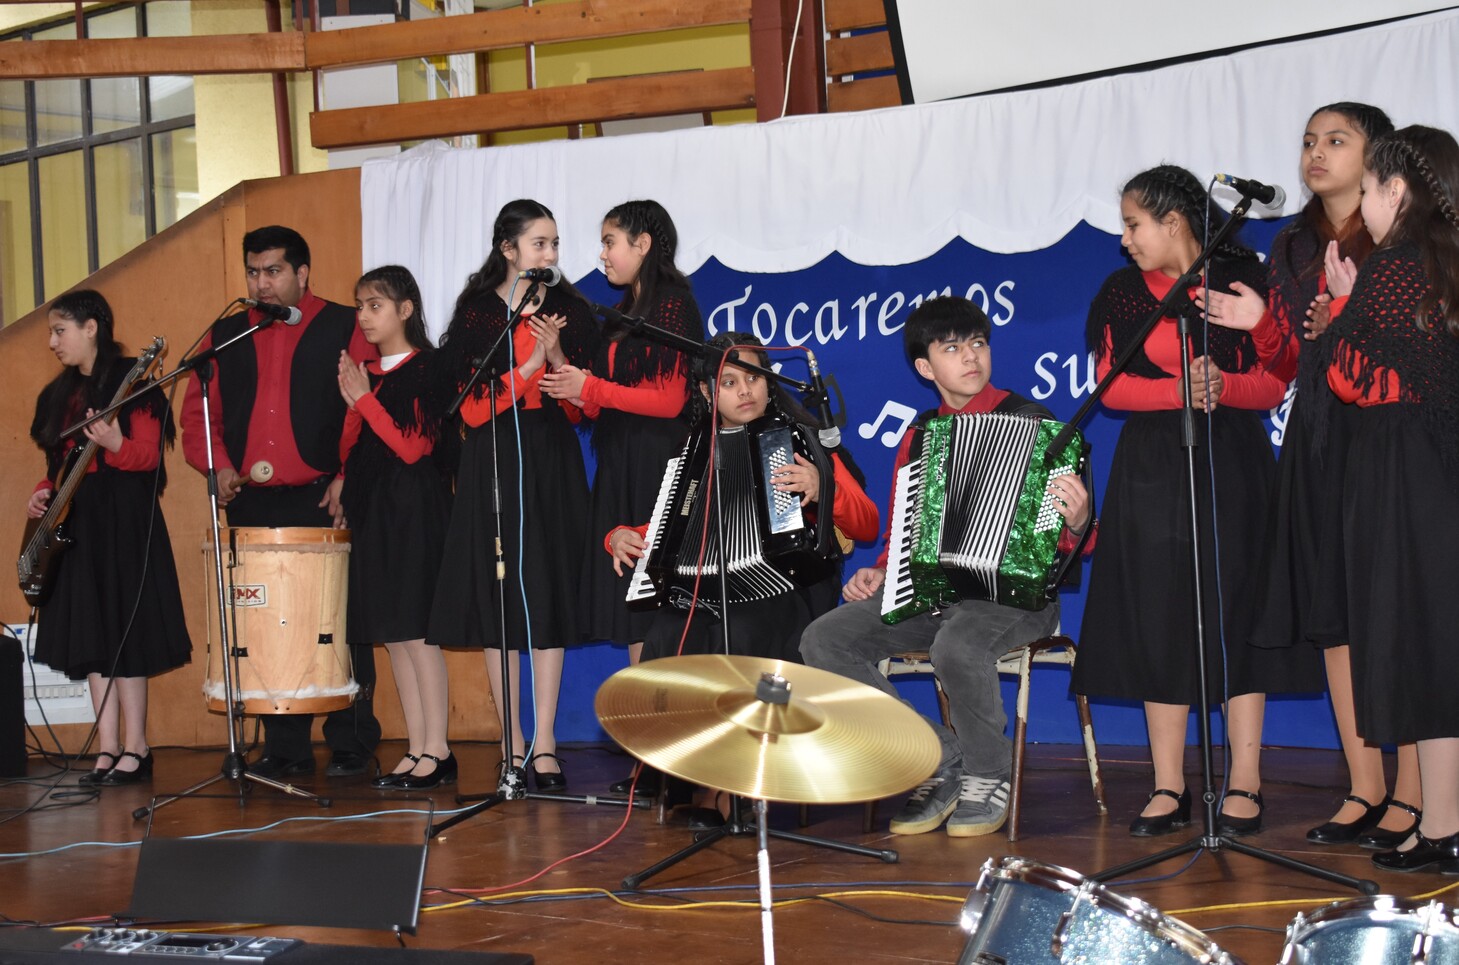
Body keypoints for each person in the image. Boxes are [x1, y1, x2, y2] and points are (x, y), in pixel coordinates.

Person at [1072, 165, 1321, 838]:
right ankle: (1166, 783)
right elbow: (1108, 385)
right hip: (1152, 464)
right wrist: (1178, 390)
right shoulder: (1124, 291)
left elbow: (1276, 380)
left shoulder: (1245, 278)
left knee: (1237, 607)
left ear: (1174, 220)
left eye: (1133, 224)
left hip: (1232, 461)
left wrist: (1221, 389)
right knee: (1159, 613)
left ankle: (1243, 778)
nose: (1125, 239)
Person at [1199, 104, 1420, 849]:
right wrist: (1261, 320)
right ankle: (1365, 786)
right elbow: (1287, 362)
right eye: (1307, 141)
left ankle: (1415, 795)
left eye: (1336, 141)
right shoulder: (1289, 244)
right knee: (1334, 610)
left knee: (1390, 609)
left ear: (1377, 157)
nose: (1315, 153)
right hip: (1316, 436)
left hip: (1386, 435)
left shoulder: (1403, 237)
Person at [799, 297, 1093, 838]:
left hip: (1018, 599)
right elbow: (905, 528)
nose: (970, 358)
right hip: (935, 596)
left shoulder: (1036, 422)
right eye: (952, 348)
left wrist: (1076, 521)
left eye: (978, 344)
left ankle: (988, 773)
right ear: (924, 367)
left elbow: (1083, 539)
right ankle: (938, 758)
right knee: (824, 641)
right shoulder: (920, 434)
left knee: (956, 646)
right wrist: (884, 571)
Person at [181, 226, 381, 779]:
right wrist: (219, 467)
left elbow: (365, 407)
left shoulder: (345, 325)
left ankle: (350, 739)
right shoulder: (223, 335)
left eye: (273, 271)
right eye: (253, 272)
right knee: (266, 622)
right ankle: (284, 748)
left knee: (337, 620)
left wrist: (347, 476)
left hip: (324, 497)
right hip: (253, 502)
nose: (261, 283)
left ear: (302, 273)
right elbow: (200, 416)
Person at [428, 200, 599, 791]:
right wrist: (529, 362)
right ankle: (512, 743)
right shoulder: (478, 315)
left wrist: (555, 358)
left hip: (551, 459)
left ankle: (546, 745)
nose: (550, 255)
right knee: (501, 601)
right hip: (494, 461)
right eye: (539, 244)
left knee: (546, 595)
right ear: (508, 249)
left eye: (555, 244)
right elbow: (473, 409)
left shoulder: (573, 309)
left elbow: (584, 409)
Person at [1324, 124, 1459, 874]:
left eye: (1369, 188)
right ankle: (1438, 821)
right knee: (1436, 646)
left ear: (1395, 190)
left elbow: (1357, 380)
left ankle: (1440, 824)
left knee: (1417, 644)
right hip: (1436, 469)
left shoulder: (1392, 266)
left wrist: (1346, 309)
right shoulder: (1444, 257)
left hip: (1404, 469)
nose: (1364, 205)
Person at [541, 199, 705, 795]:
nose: (603, 253)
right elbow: (598, 403)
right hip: (619, 464)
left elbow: (666, 400)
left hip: (660, 464)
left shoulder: (673, 305)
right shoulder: (620, 312)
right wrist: (566, 373)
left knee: (664, 610)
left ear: (644, 243)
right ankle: (651, 753)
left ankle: (679, 756)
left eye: (611, 240)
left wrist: (593, 386)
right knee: (636, 607)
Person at [605, 331, 880, 664]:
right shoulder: (694, 455)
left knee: (741, 630)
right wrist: (623, 536)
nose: (746, 391)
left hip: (795, 587)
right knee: (667, 633)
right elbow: (676, 525)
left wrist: (824, 490)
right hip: (713, 589)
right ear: (707, 392)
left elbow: (867, 526)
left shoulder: (806, 439)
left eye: (754, 378)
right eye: (729, 383)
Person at [27, 290, 191, 786]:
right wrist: (42, 492)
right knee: (93, 632)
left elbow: (149, 458)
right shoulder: (58, 395)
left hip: (122, 518)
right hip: (78, 518)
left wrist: (115, 443)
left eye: (61, 330)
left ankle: (137, 748)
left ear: (91, 327)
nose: (54, 342)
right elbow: (57, 463)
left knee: (125, 629)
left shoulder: (132, 381)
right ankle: (107, 746)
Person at [337, 266, 455, 790]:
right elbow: (356, 447)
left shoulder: (429, 368)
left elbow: (412, 446)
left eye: (375, 305)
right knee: (393, 638)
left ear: (406, 309)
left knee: (418, 634)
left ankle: (440, 749)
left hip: (414, 510)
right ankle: (416, 747)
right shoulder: (368, 374)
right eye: (360, 305)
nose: (364, 316)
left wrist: (364, 400)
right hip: (376, 511)